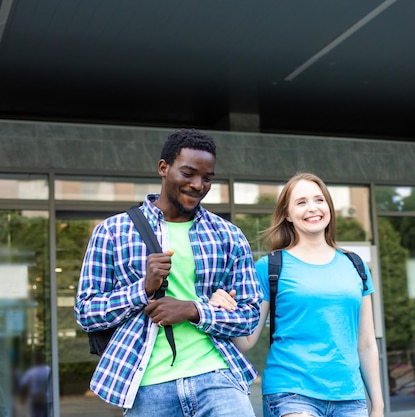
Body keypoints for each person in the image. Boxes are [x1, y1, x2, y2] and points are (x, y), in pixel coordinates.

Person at [75, 128, 262, 417]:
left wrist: (192, 310)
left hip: (217, 377)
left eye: (207, 177)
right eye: (188, 173)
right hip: (148, 386)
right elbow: (87, 312)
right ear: (164, 168)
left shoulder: (228, 236)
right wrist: (144, 289)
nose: (198, 185)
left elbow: (249, 315)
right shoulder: (112, 232)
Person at [211, 172, 385, 417]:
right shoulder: (270, 267)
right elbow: (247, 341)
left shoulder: (356, 265)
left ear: (329, 207)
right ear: (287, 214)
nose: (312, 208)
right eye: (301, 202)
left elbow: (366, 344)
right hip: (291, 392)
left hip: (349, 396)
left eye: (319, 200)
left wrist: (378, 405)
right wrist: (222, 312)